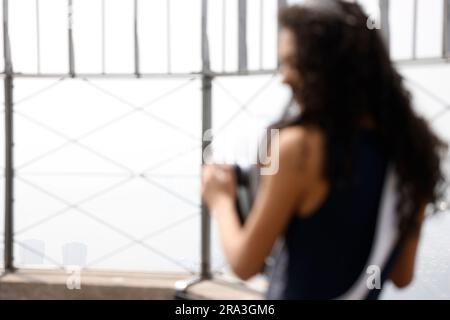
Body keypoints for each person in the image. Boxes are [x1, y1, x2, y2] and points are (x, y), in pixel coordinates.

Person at [201, 0, 447, 299]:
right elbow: (402, 274)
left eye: (293, 62)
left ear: (328, 66)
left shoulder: (300, 148)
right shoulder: (413, 150)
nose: (284, 76)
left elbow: (244, 264)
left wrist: (221, 199)